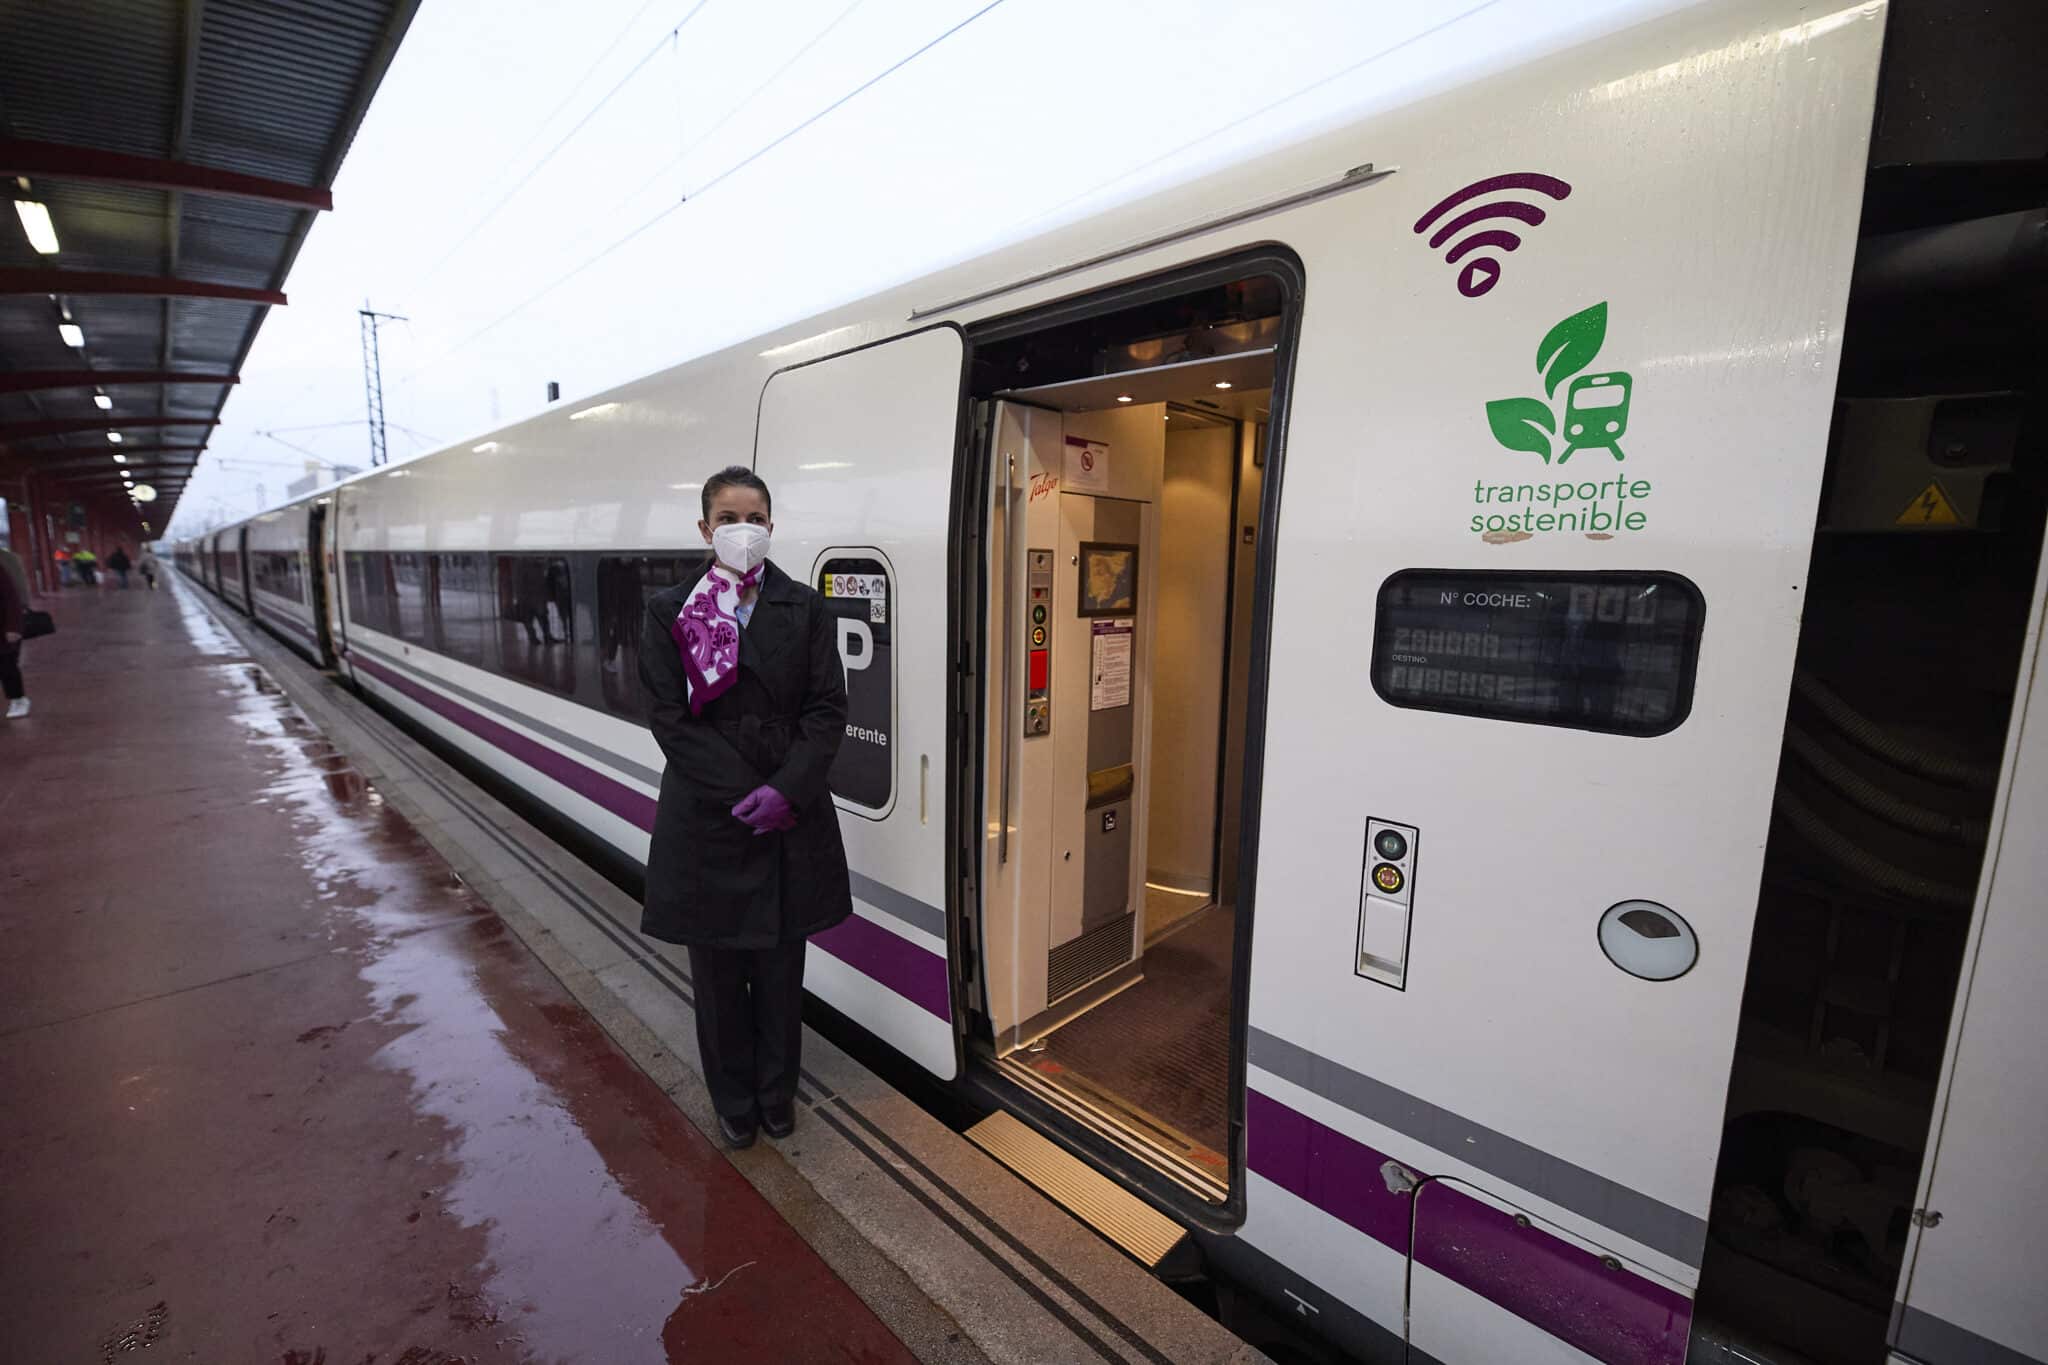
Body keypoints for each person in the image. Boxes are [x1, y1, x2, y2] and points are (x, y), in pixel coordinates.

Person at [638, 466, 852, 1149]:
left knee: (783, 969)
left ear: (771, 524)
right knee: (720, 975)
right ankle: (733, 1097)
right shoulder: (672, 609)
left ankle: (775, 1091)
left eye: (753, 516)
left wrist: (785, 789)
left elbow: (827, 708)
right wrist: (743, 792)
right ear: (705, 529)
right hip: (709, 818)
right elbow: (670, 720)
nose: (742, 529)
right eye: (727, 517)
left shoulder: (806, 606)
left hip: (790, 814)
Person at [1, 543, 31, 719]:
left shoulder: (6, 561)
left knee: (7, 664)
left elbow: (13, 596)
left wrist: (13, 626)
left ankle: (18, 699)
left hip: (5, 624)